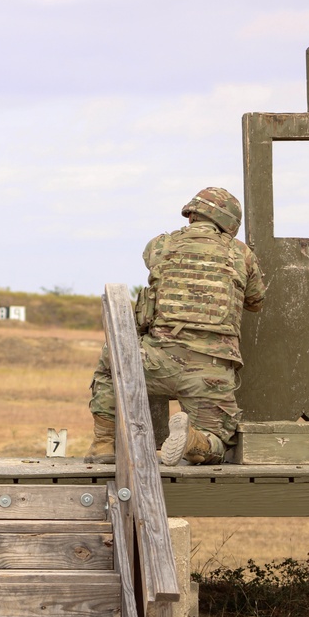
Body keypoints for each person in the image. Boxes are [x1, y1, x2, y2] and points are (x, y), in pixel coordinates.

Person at [84, 187, 266, 465]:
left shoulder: (162, 244)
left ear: (191, 213)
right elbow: (255, 301)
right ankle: (195, 441)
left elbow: (152, 263)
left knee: (111, 366)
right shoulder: (241, 253)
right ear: (230, 224)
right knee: (218, 440)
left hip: (157, 360)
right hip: (211, 370)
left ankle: (104, 444)